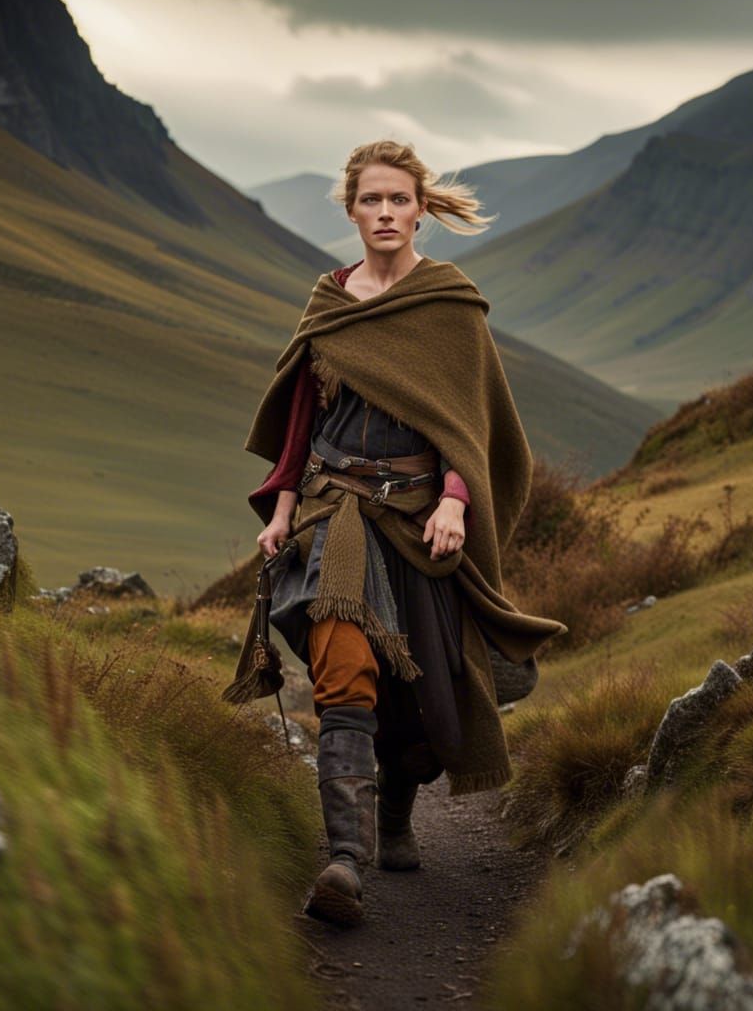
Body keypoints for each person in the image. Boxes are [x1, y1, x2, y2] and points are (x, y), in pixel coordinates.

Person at [228, 139, 565, 926]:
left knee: (423, 683)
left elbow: (469, 428)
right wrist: (280, 511)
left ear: (422, 210)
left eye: (399, 200)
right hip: (333, 514)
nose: (385, 213)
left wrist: (455, 500)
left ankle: (395, 817)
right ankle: (344, 863)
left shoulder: (448, 306)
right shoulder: (329, 302)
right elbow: (300, 424)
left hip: (420, 520)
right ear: (351, 210)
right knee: (345, 674)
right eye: (371, 201)